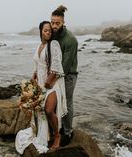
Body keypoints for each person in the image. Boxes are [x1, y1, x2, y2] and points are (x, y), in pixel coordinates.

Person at [15, 21, 67, 154]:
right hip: (40, 85)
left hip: (52, 85)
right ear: (40, 31)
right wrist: (33, 79)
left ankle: (57, 136)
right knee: (40, 112)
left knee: (49, 110)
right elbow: (38, 65)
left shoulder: (53, 45)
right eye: (45, 30)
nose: (48, 32)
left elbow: (56, 67)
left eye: (50, 30)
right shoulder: (40, 46)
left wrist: (47, 84)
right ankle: (45, 135)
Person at [50, 5, 78, 146]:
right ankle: (58, 128)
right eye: (52, 22)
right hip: (55, 75)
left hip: (68, 76)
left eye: (57, 23)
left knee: (66, 102)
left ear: (63, 23)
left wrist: (50, 80)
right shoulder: (52, 36)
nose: (54, 26)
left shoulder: (70, 40)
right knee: (55, 103)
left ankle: (67, 132)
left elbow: (65, 66)